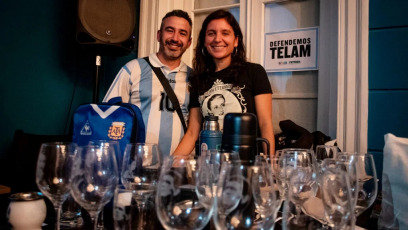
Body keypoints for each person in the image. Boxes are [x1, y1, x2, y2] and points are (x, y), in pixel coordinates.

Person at [173, 9, 275, 157]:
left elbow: (265, 124)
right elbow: (193, 132)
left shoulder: (254, 72)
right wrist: (169, 167)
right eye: (211, 33)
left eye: (225, 33)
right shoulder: (198, 79)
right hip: (210, 167)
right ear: (204, 41)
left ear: (236, 41)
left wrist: (271, 167)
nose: (217, 39)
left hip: (246, 164)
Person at [103, 10, 193, 157]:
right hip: (137, 168)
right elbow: (109, 117)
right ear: (159, 35)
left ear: (189, 42)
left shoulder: (194, 78)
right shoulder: (133, 69)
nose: (175, 38)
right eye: (169, 30)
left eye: (182, 33)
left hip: (178, 170)